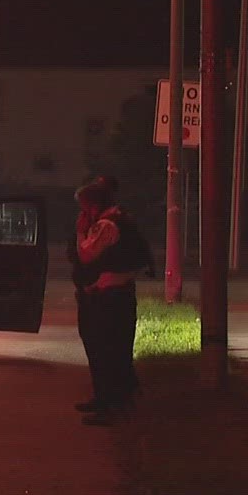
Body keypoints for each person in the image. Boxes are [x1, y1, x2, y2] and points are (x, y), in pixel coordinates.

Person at [71, 176, 147, 425]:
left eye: (84, 206)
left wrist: (81, 230)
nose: (83, 212)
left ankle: (111, 406)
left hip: (109, 299)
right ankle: (107, 400)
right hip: (112, 296)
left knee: (107, 352)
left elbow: (86, 254)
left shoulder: (106, 225)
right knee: (109, 351)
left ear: (93, 205)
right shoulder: (118, 220)